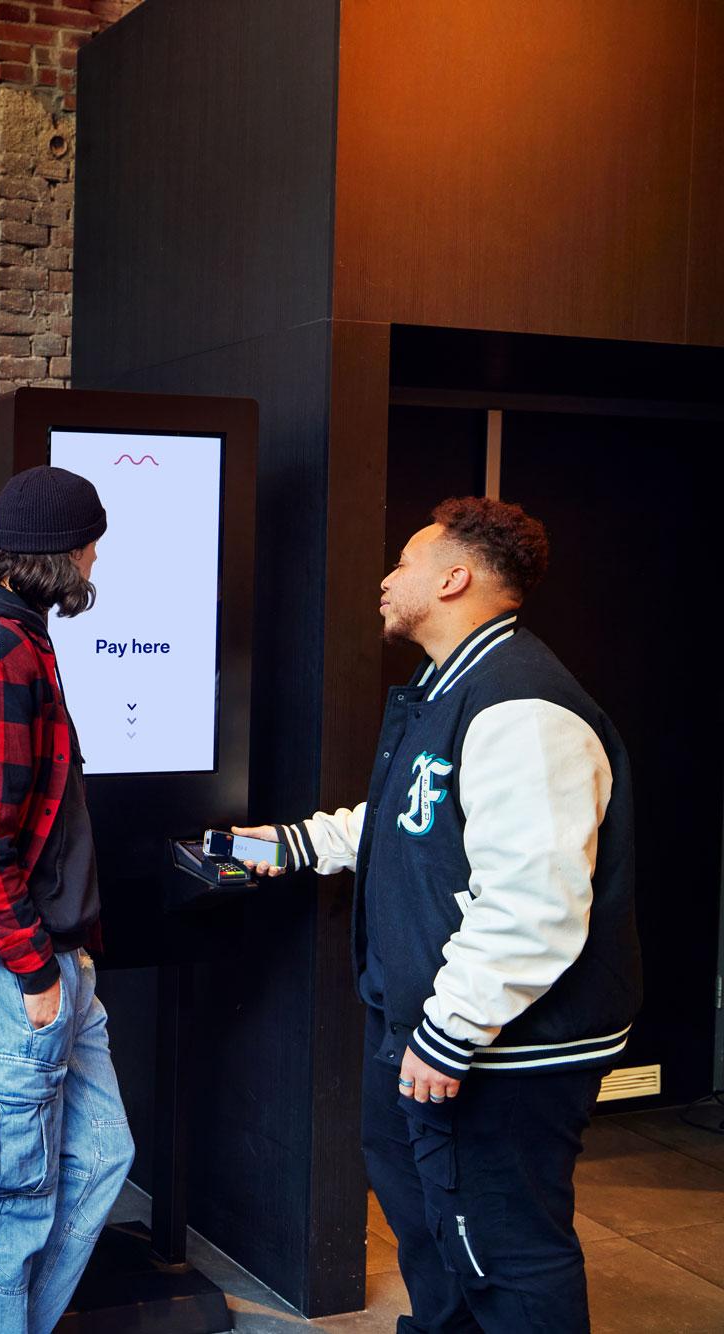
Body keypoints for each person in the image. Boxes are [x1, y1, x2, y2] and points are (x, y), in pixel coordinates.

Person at [238, 497, 639, 1334]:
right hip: (420, 1027)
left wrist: (451, 1029)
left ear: (454, 578)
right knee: (433, 1234)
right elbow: (409, 820)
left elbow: (536, 899)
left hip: (503, 1047)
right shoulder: (446, 691)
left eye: (405, 562)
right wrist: (290, 844)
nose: (387, 579)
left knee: (506, 1252)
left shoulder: (522, 708)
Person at [0, 467, 135, 1334]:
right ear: (57, 551)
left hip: (52, 966)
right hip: (24, 973)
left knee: (97, 1157)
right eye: (88, 545)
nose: (91, 562)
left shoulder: (12, 637)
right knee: (2, 1199)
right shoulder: (2, 651)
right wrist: (36, 969)